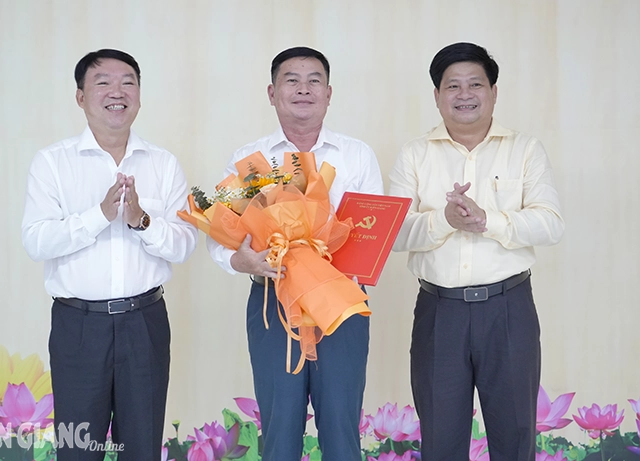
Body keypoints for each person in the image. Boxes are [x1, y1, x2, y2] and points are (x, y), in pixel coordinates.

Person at [388, 42, 564, 461]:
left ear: (494, 92)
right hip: (439, 312)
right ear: (437, 95)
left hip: (508, 310)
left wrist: (489, 220)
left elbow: (550, 224)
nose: (464, 94)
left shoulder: (525, 149)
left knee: (515, 436)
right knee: (441, 439)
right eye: (453, 86)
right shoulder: (415, 154)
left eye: (475, 84)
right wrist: (444, 219)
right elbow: (394, 235)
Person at [207, 47, 383, 461]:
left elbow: (372, 232)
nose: (303, 89)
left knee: (341, 426)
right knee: (279, 426)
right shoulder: (248, 160)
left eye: (314, 80)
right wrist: (239, 261)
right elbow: (219, 232)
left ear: (328, 93)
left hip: (340, 302)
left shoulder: (356, 155)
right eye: (292, 80)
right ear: (272, 93)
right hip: (273, 300)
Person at [21, 49, 197, 461]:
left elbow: (184, 244)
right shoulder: (53, 163)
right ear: (81, 97)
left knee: (142, 446)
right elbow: (36, 241)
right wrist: (99, 216)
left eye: (128, 82)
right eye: (103, 82)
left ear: (139, 96)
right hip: (78, 326)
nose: (117, 92)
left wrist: (141, 220)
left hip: (145, 322)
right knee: (78, 449)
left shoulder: (163, 164)